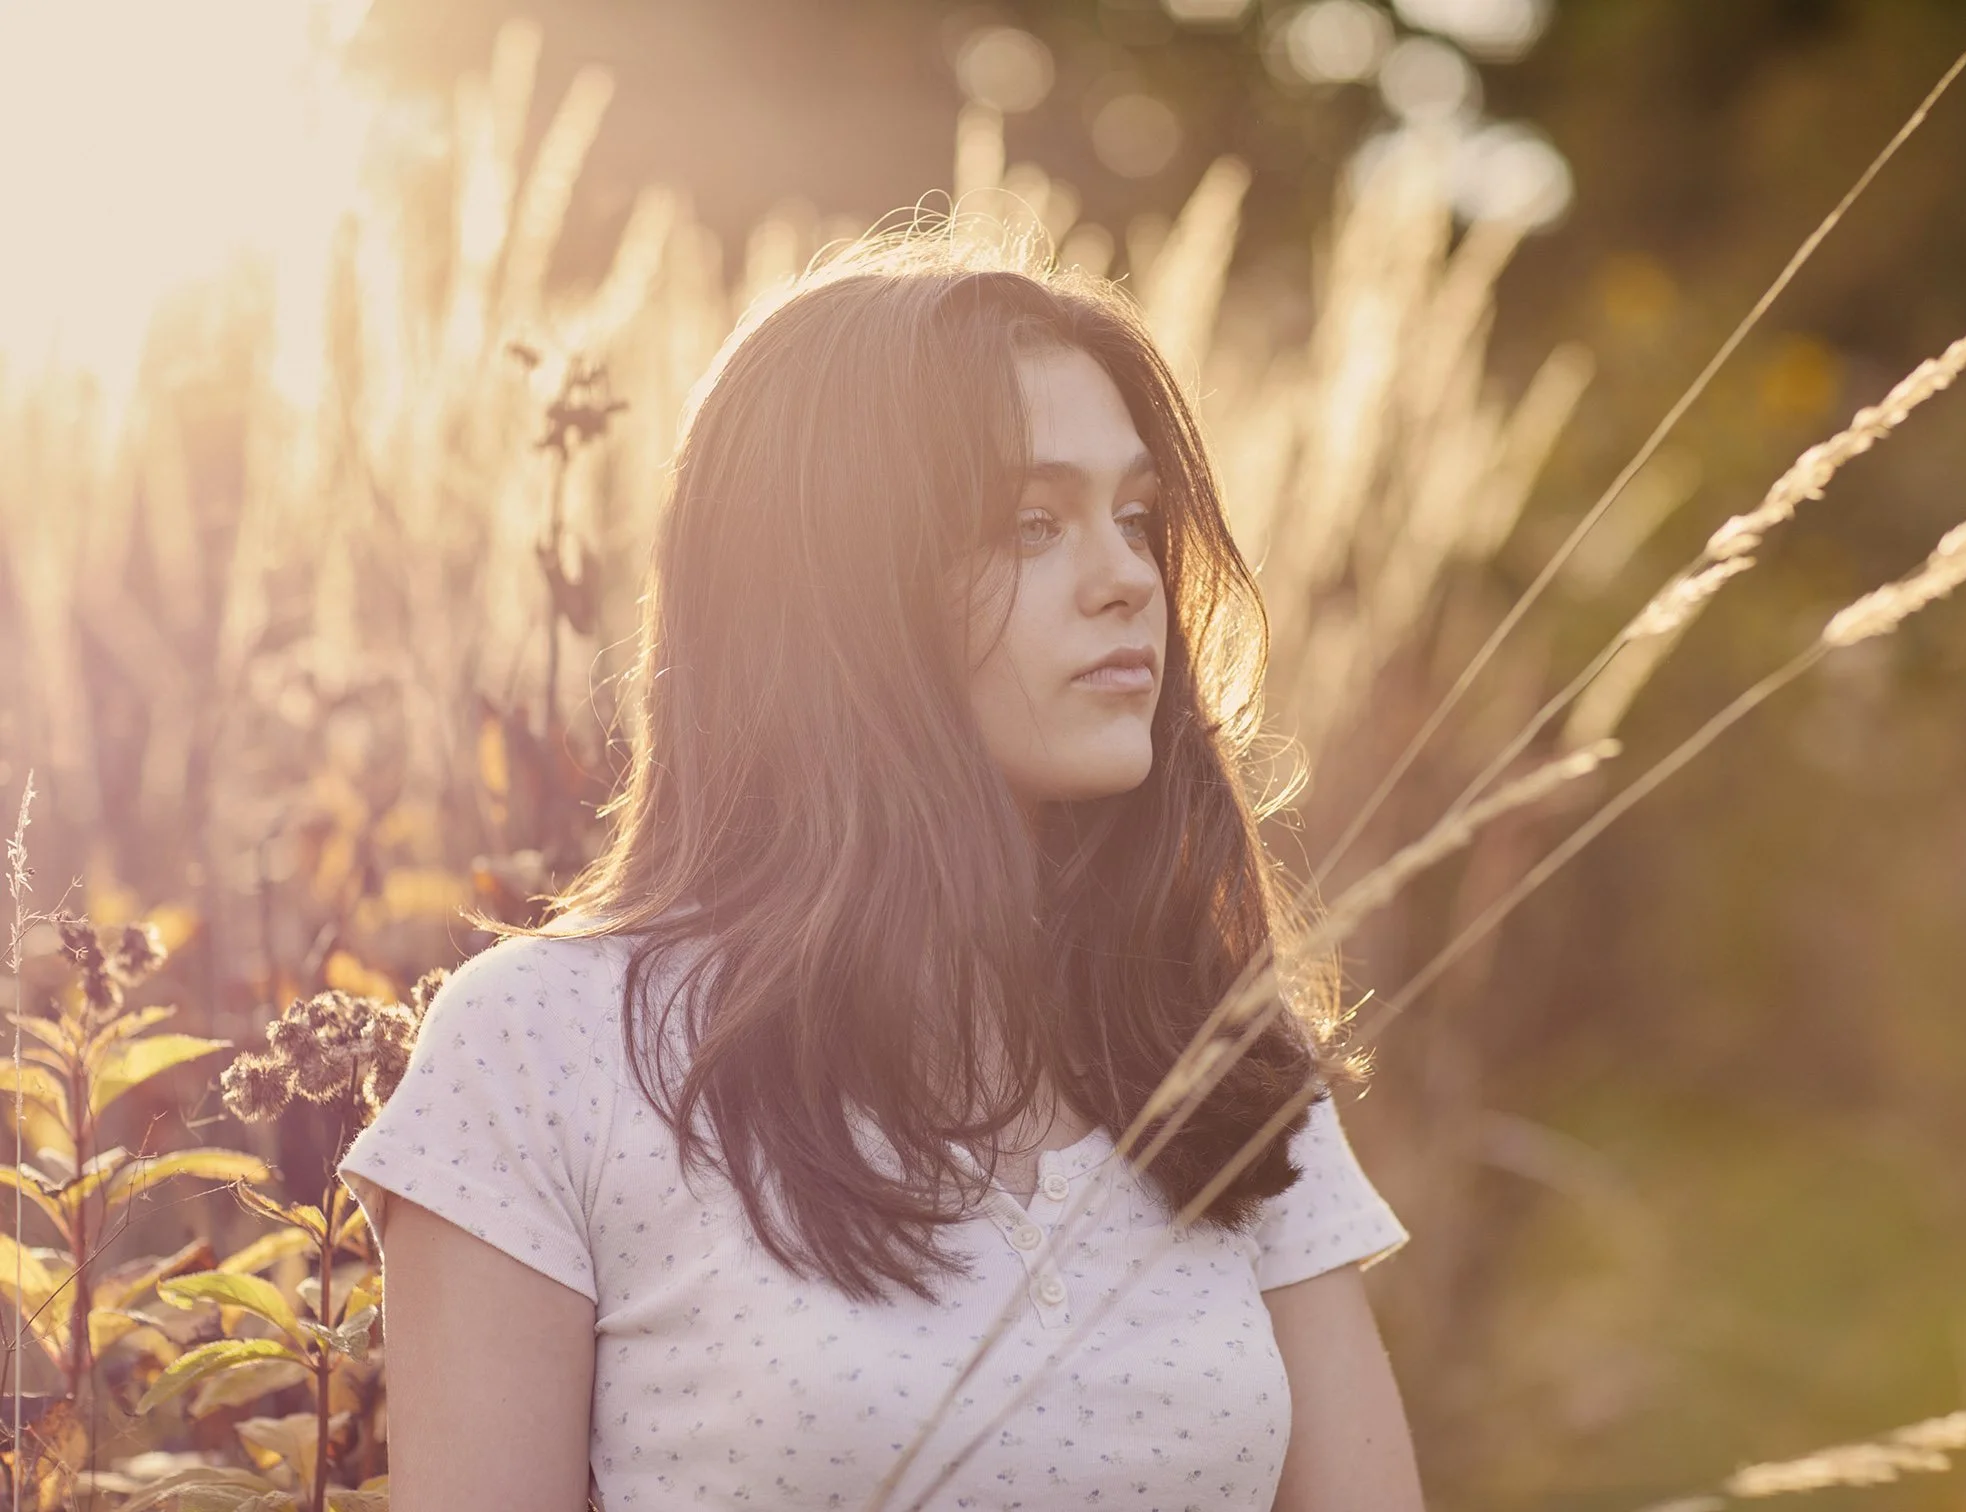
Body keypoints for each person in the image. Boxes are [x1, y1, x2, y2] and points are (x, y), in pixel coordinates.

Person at [340, 234, 1425, 1512]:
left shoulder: (1212, 1046)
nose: (1130, 578)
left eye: (1136, 519)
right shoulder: (549, 1050)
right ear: (836, 591)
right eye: (1033, 525)